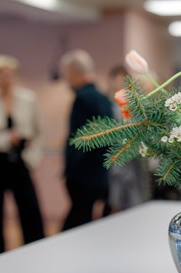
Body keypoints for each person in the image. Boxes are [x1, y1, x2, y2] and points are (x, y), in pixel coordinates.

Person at [0, 55, 45, 256]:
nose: (6, 80)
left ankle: (36, 252)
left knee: (30, 210)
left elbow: (38, 132)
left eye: (9, 75)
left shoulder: (28, 99)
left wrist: (32, 159)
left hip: (21, 160)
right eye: (1, 76)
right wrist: (6, 139)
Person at [60, 50, 113, 230]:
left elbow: (79, 140)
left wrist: (71, 169)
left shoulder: (83, 99)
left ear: (74, 72)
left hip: (84, 175)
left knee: (77, 222)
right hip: (100, 172)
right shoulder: (103, 98)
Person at [107, 65, 147, 211]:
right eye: (115, 80)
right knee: (116, 199)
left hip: (133, 159)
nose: (118, 83)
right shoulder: (108, 105)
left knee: (135, 199)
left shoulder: (134, 107)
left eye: (121, 80)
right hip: (117, 158)